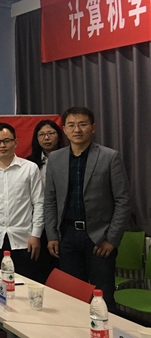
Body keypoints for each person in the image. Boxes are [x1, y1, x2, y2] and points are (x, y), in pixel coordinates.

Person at [44, 106, 130, 311]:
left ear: (93, 128)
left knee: (103, 298)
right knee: (72, 298)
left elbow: (123, 201)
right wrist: (52, 235)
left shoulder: (109, 157)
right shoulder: (55, 158)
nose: (77, 130)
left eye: (82, 124)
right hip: (67, 237)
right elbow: (50, 200)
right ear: (64, 129)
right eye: (71, 125)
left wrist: (112, 239)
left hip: (99, 237)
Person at [0, 123, 43, 280]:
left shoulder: (30, 168)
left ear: (15, 142)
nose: (2, 146)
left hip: (23, 239)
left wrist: (36, 235)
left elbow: (39, 203)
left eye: (7, 141)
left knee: (23, 283)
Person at [26, 119, 64, 283]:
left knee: (62, 270)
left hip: (61, 221)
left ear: (59, 135)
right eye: (41, 135)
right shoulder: (29, 163)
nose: (46, 138)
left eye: (51, 133)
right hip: (37, 222)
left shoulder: (68, 159)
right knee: (39, 269)